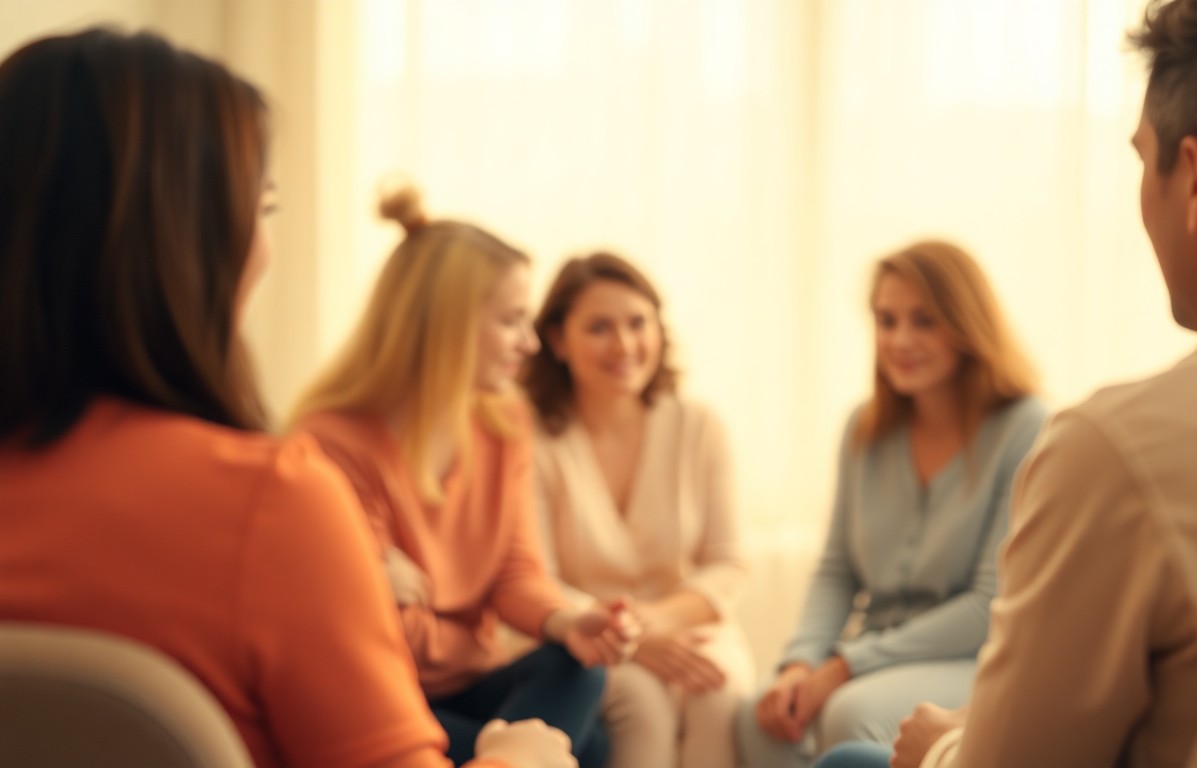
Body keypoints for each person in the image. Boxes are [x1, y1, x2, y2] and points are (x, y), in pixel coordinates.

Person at [0, 27, 576, 768]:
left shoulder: (491, 430)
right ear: (191, 243)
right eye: (264, 210)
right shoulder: (268, 503)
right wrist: (521, 761)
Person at [828, 1, 1197, 766]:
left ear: (1196, 180)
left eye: (1142, 161)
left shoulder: (1114, 451)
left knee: (851, 757)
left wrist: (942, 747)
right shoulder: (872, 430)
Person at [291, 185, 632, 768]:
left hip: (469, 684)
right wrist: (468, 639)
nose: (530, 343)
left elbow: (516, 573)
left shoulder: (504, 422)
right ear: (446, 325)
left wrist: (569, 621)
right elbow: (383, 630)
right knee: (588, 747)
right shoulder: (333, 443)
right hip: (381, 696)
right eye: (512, 321)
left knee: (577, 670)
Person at [735, 240, 1047, 768]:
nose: (900, 340)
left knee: (849, 713)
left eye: (924, 321)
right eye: (886, 320)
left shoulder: (1025, 427)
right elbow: (837, 572)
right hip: (870, 653)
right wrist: (801, 662)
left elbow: (988, 604)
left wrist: (846, 664)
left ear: (967, 323)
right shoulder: (864, 428)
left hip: (974, 658)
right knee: (758, 715)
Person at [520, 252, 755, 768]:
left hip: (688, 624)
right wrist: (624, 638)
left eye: (637, 323)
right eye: (599, 328)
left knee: (715, 691)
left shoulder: (698, 425)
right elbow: (536, 576)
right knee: (643, 707)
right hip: (585, 637)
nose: (624, 345)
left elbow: (729, 563)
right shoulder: (531, 440)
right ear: (557, 340)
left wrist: (650, 623)